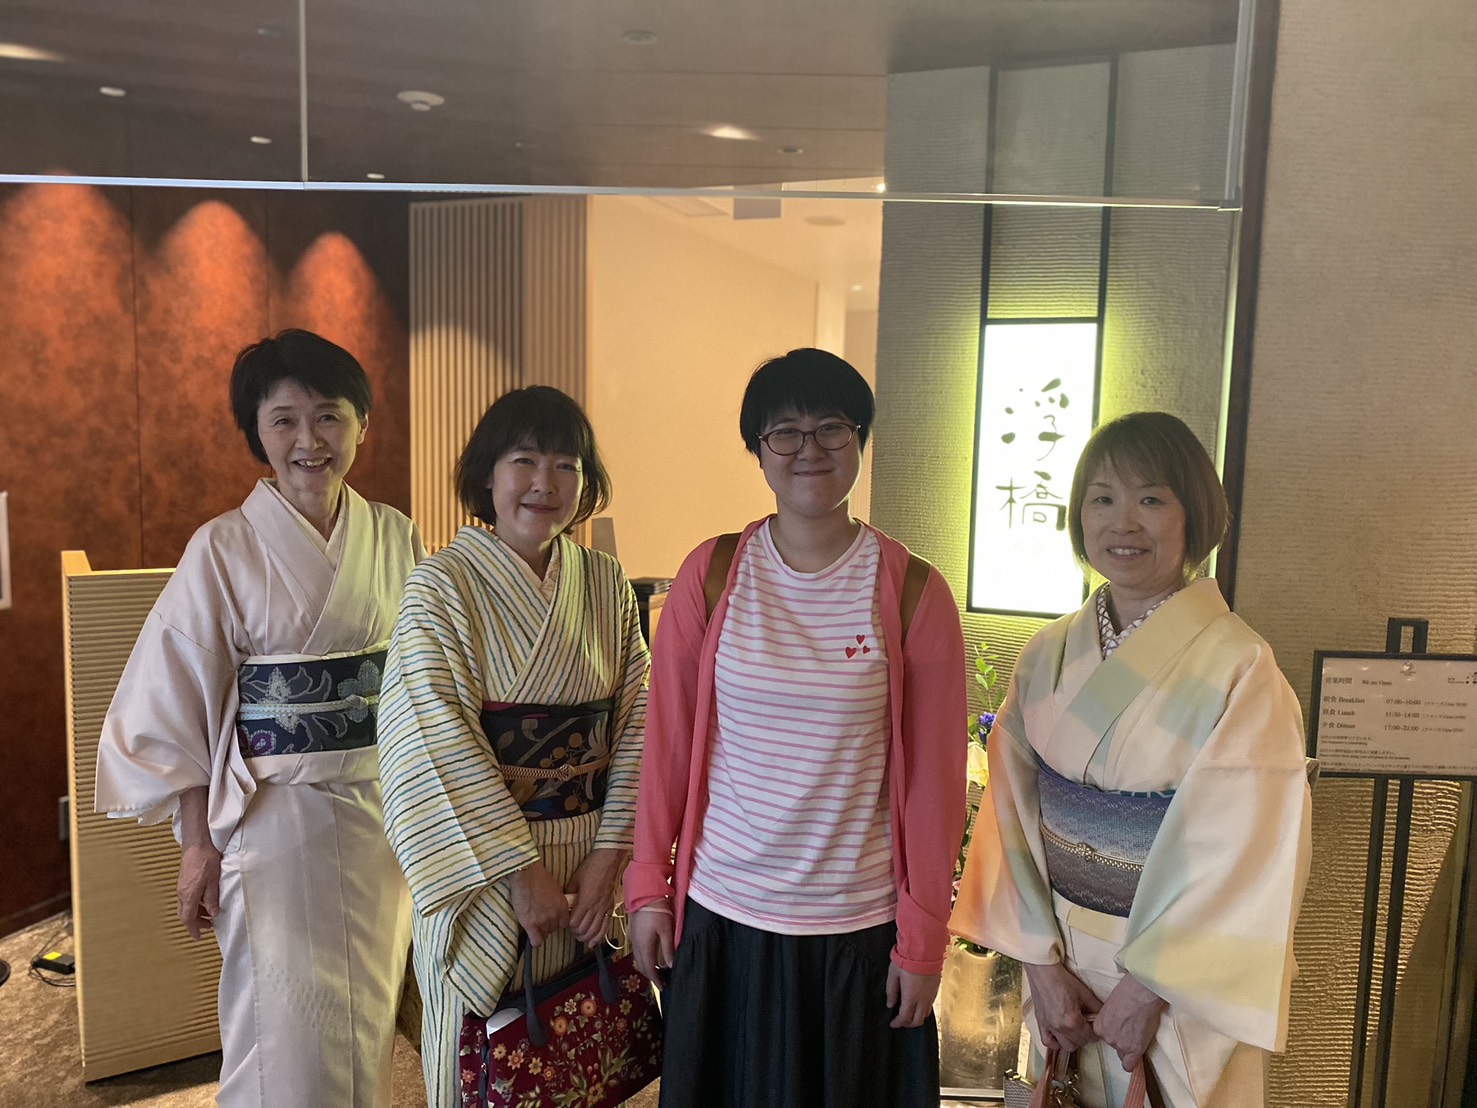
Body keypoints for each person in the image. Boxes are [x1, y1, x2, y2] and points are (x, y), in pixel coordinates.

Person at [624, 348, 967, 1108]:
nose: (809, 448)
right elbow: (666, 745)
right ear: (758, 449)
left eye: (831, 427)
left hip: (858, 927)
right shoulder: (711, 574)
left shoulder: (913, 591)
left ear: (860, 438)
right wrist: (648, 885)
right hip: (724, 916)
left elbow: (935, 788)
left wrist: (923, 938)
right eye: (785, 431)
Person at [94, 329, 423, 1107]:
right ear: (257, 433)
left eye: (329, 416)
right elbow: (174, 701)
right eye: (284, 420)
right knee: (279, 1024)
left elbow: (423, 681)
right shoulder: (221, 547)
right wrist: (196, 844)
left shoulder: (395, 534)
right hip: (273, 822)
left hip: (380, 815)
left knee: (367, 1015)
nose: (310, 441)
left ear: (363, 424)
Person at [952, 411, 1312, 1107]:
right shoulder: (1047, 653)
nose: (1123, 522)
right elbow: (1010, 816)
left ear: (1193, 515)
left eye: (1150, 499)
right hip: (1061, 961)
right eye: (1102, 499)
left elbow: (1251, 855)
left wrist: (1148, 988)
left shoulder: (1241, 667)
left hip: (1174, 983)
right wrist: (1039, 967)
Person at [376, 386, 648, 1108]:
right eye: (524, 460)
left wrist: (610, 859)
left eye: (566, 465)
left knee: (576, 1045)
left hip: (588, 854)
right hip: (486, 871)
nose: (544, 483)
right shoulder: (441, 586)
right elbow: (432, 740)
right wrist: (517, 873)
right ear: (487, 474)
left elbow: (639, 722)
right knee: (478, 1055)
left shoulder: (605, 581)